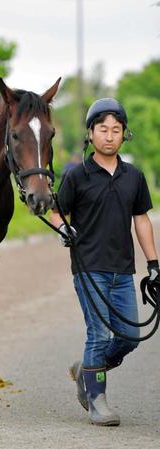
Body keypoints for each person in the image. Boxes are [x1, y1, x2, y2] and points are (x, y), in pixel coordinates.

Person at [50, 98, 159, 426]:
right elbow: (56, 211)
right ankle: (97, 400)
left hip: (123, 270)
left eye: (116, 130)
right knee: (98, 333)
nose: (109, 136)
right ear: (91, 134)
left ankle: (87, 368)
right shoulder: (77, 175)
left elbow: (141, 219)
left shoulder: (134, 177)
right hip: (88, 267)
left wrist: (153, 262)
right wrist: (63, 228)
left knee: (127, 336)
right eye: (103, 129)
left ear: (125, 134)